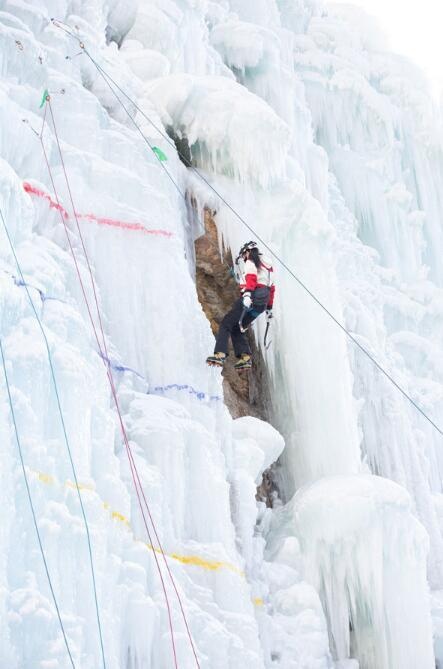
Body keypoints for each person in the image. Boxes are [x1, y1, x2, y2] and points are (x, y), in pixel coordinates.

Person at [206, 241, 275, 370]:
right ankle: (245, 358)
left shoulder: (251, 261)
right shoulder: (268, 268)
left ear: (248, 252)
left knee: (226, 323)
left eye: (243, 255)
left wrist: (248, 294)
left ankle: (220, 354)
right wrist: (269, 309)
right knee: (238, 328)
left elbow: (251, 278)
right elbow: (271, 289)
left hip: (250, 300)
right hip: (260, 306)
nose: (243, 258)